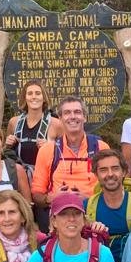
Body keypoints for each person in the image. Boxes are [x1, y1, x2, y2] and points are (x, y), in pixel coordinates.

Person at [31, 97, 110, 229]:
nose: (72, 116)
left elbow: (111, 188)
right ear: (60, 118)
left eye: (77, 112)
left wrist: (87, 198)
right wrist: (52, 198)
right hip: (58, 216)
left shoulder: (100, 148)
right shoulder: (48, 150)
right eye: (67, 113)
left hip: (93, 214)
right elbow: (37, 194)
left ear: (85, 117)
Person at [5, 79, 63, 178]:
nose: (34, 97)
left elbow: (65, 154)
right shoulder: (14, 122)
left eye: (38, 93)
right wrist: (7, 144)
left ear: (44, 98)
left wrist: (50, 147)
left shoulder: (56, 124)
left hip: (46, 176)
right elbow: (5, 152)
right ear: (25, 98)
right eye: (30, 93)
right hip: (19, 176)